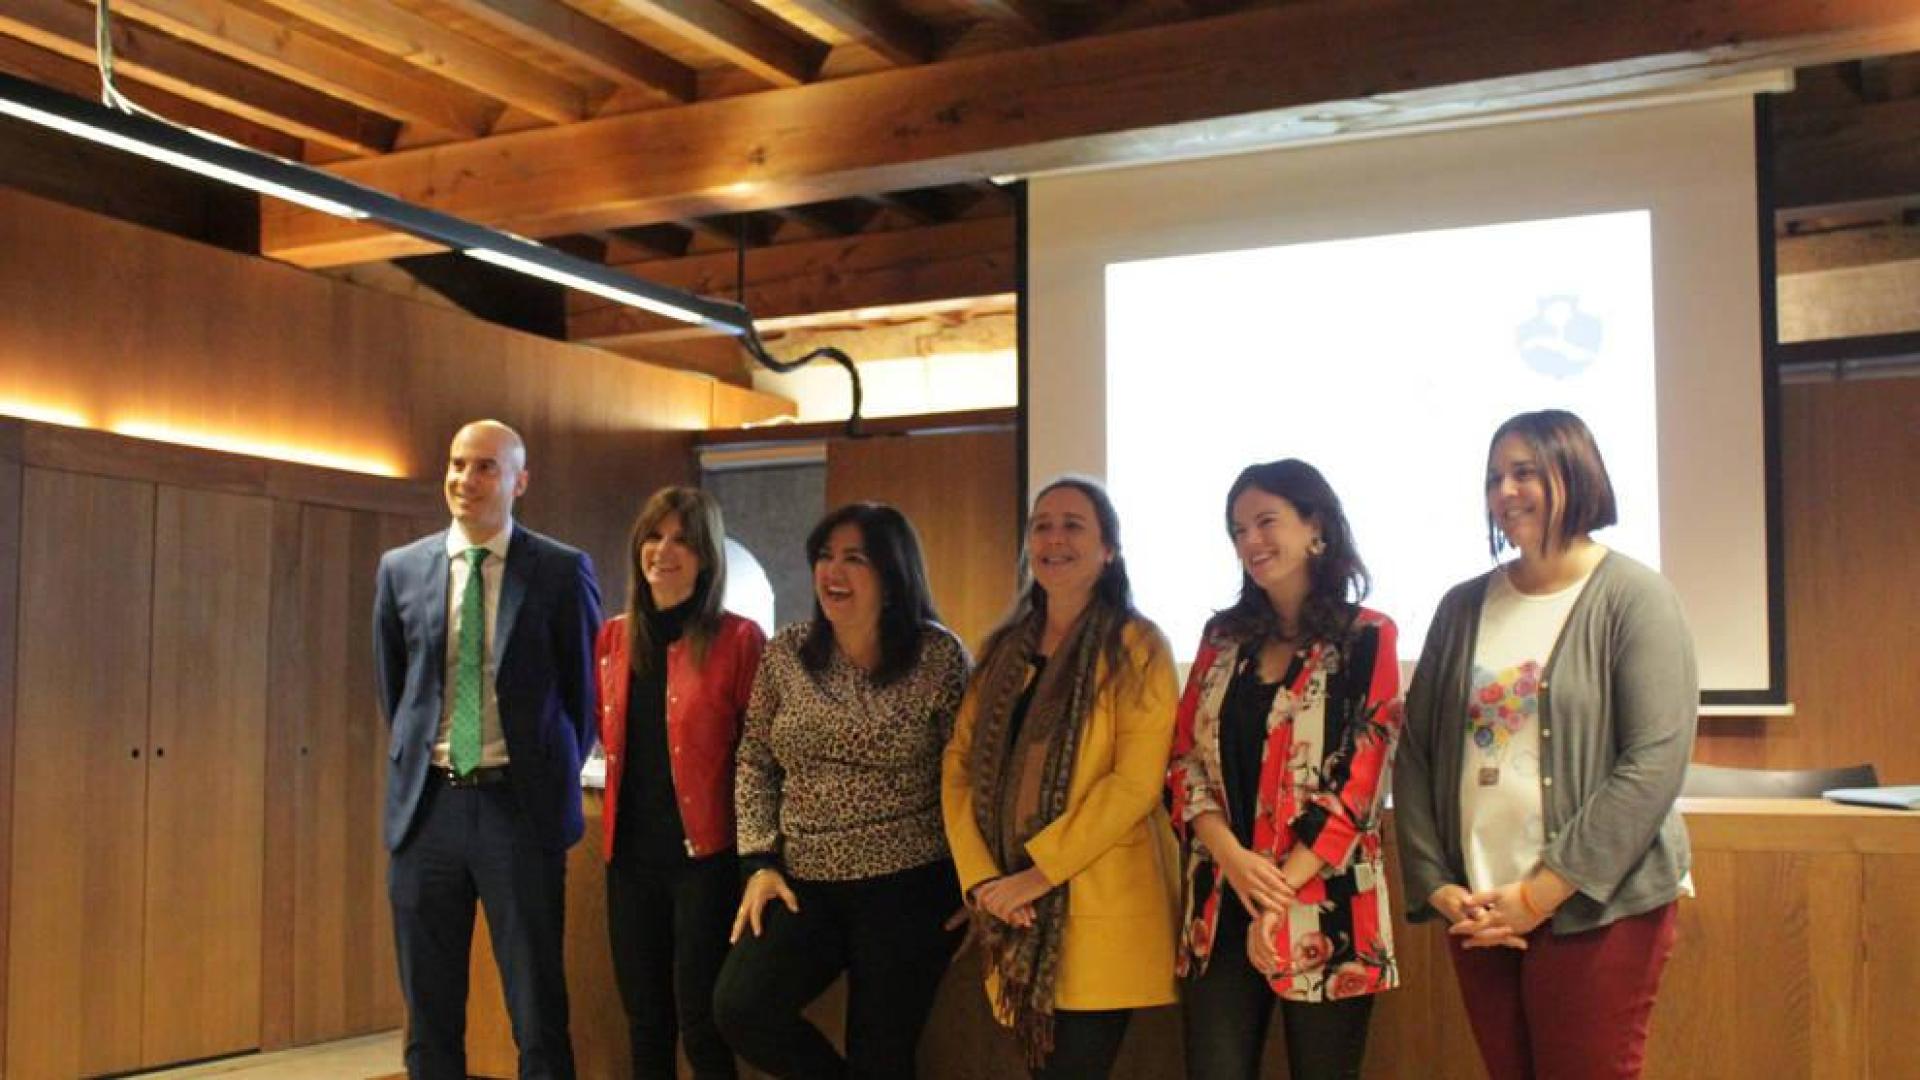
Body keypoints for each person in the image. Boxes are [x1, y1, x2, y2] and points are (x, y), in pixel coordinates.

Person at [1394, 409, 1697, 1080]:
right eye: (1494, 477)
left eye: (1524, 472)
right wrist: (1438, 884)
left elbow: (1653, 763)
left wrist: (1541, 895)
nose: (1505, 491)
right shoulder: (1461, 607)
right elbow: (1415, 753)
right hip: (1480, 903)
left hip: (1596, 905)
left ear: (1575, 473)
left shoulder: (1635, 597)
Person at [374, 419, 602, 1080]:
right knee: (429, 1013)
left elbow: (584, 697)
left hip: (519, 811)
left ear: (519, 482)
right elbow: (397, 689)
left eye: (485, 468)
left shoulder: (560, 570)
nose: (465, 479)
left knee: (537, 1010)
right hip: (427, 812)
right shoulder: (400, 569)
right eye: (457, 464)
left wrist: (540, 771)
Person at [712, 502, 969, 1078]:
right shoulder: (786, 653)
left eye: (856, 558)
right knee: (742, 1008)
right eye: (825, 556)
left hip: (910, 885)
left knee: (882, 1057)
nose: (833, 571)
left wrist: (977, 878)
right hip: (806, 881)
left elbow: (971, 774)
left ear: (893, 574)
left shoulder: (939, 656)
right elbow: (754, 761)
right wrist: (759, 862)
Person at [1167, 459, 1402, 1080]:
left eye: (1266, 521)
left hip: (1326, 904)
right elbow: (1183, 761)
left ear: (1315, 525)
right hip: (1222, 897)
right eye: (1238, 530)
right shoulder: (1220, 639)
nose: (1251, 541)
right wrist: (1233, 859)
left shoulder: (1367, 638)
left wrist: (1276, 892)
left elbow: (1358, 787)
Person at [942, 477, 1181, 1078]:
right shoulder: (1002, 651)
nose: (1054, 539)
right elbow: (958, 767)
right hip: (1010, 909)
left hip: (1100, 907)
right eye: (1041, 526)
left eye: (1073, 525)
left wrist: (1036, 876)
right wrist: (983, 880)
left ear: (1109, 549)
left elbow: (1134, 783)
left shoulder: (1137, 646)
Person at [595, 487, 765, 1079]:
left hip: (705, 862)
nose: (663, 551)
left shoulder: (740, 640)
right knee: (645, 1020)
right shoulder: (613, 638)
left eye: (682, 541)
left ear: (706, 558)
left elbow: (761, 757)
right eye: (654, 536)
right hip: (628, 859)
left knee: (701, 1022)